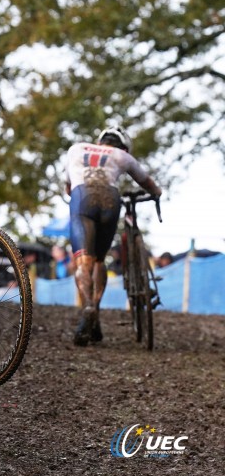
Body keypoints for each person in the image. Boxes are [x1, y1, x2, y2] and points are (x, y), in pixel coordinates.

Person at [65, 125, 162, 346]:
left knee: (83, 262)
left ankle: (88, 305)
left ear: (99, 142)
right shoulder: (122, 156)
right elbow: (146, 181)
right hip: (110, 198)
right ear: (124, 146)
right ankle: (96, 308)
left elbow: (68, 187)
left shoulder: (76, 148)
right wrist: (157, 194)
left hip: (82, 197)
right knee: (100, 260)